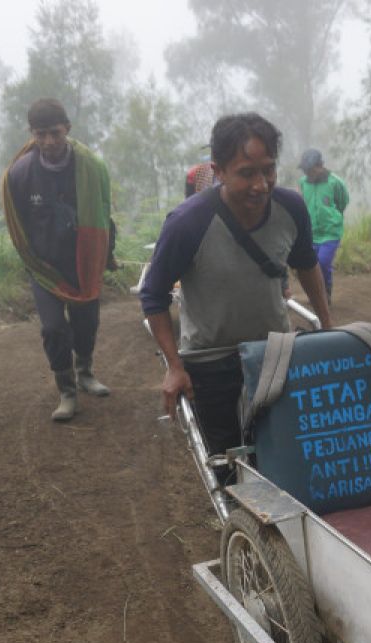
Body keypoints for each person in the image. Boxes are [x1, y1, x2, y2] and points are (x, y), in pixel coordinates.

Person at [140, 113, 333, 469]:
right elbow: (153, 295)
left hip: (276, 355)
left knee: (288, 454)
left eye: (269, 170)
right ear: (219, 171)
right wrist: (174, 366)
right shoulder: (188, 223)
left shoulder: (290, 208)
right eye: (247, 173)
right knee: (230, 466)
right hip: (210, 364)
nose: (261, 184)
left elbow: (307, 264)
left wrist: (328, 326)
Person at [3, 98, 117, 422]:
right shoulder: (21, 174)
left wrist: (108, 254)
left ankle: (85, 372)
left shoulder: (91, 168)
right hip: (44, 270)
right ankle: (67, 391)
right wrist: (32, 260)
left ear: (67, 128)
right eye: (41, 135)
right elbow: (18, 223)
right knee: (53, 329)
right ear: (32, 134)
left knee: (86, 324)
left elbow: (103, 213)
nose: (49, 142)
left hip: (84, 263)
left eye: (55, 133)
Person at [297, 148, 349, 305]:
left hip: (330, 232)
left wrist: (332, 218)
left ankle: (325, 292)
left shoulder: (335, 182)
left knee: (323, 263)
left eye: (309, 169)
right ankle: (319, 294)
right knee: (313, 265)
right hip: (311, 232)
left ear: (319, 166)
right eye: (304, 170)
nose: (306, 173)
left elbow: (342, 202)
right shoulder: (303, 182)